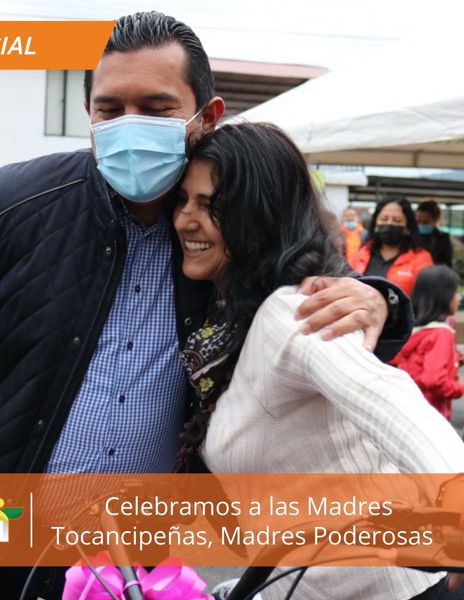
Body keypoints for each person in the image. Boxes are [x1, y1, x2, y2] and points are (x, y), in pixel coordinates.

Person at [0, 12, 412, 599]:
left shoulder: (227, 227)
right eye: (110, 109)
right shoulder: (16, 202)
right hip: (1, 525)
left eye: (156, 109)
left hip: (136, 554)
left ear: (208, 116)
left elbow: (318, 284)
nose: (130, 126)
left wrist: (378, 300)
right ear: (89, 114)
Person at [172, 122, 464, 599]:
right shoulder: (221, 322)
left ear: (258, 216)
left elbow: (383, 395)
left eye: (210, 205)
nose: (186, 219)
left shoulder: (288, 310)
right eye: (182, 201)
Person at [392, 266, 464, 422]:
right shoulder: (441, 334)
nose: (459, 298)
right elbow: (434, 380)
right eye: (455, 292)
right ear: (444, 296)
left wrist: (454, 361)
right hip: (432, 416)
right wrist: (460, 387)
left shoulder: (417, 332)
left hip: (412, 412)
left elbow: (420, 366)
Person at [350, 195, 434, 296]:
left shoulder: (421, 259)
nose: (389, 224)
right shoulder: (360, 255)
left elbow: (427, 298)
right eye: (384, 219)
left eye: (397, 220)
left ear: (407, 227)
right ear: (375, 223)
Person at [416, 199, 453, 267]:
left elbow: (447, 265)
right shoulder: (411, 237)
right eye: (418, 222)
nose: (421, 225)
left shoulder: (443, 239)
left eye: (425, 222)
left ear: (435, 220)